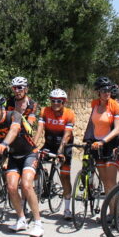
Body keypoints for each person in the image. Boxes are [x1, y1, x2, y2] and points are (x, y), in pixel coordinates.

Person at [0, 94, 43, 237]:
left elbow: (14, 130)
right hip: (14, 156)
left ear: (2, 109)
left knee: (26, 185)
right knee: (11, 187)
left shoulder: (14, 115)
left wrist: (4, 144)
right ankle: (21, 219)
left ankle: (38, 224)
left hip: (29, 154)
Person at [35, 88, 75, 219]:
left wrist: (60, 151)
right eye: (53, 101)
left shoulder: (69, 114)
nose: (55, 103)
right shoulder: (45, 111)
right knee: (34, 163)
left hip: (65, 145)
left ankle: (67, 209)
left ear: (64, 102)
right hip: (49, 143)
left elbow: (67, 134)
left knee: (65, 176)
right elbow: (40, 129)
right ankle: (43, 181)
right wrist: (33, 146)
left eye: (59, 101)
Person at [83, 77, 119, 198]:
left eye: (109, 90)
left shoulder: (115, 106)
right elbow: (92, 122)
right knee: (105, 181)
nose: (107, 93)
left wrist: (103, 141)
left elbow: (117, 129)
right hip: (97, 144)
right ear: (98, 92)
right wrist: (88, 139)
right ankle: (110, 212)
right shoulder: (94, 104)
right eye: (104, 90)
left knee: (111, 181)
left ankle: (114, 214)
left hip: (111, 144)